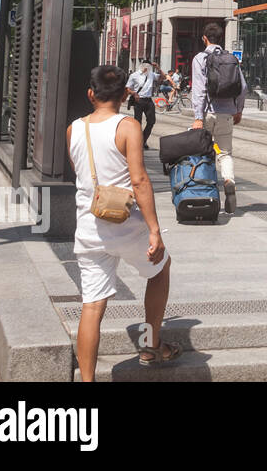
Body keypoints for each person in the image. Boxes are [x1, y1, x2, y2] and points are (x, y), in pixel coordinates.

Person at [66, 65, 175, 380]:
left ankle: (86, 381)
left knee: (92, 306)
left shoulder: (74, 128)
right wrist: (154, 230)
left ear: (91, 94)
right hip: (125, 224)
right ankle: (150, 346)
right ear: (127, 93)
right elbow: (139, 181)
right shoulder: (128, 126)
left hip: (88, 226)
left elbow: (81, 172)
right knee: (160, 268)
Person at [190, 22, 246, 214]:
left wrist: (198, 116)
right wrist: (238, 110)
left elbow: (199, 89)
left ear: (204, 38)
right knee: (224, 153)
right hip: (226, 114)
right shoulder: (231, 58)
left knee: (203, 153)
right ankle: (229, 180)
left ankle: (206, 191)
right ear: (220, 38)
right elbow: (243, 87)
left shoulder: (200, 58)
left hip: (207, 113)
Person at [126, 62, 158, 149]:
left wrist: (158, 68)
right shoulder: (134, 75)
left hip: (148, 100)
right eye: (147, 67)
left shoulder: (151, 74)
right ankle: (137, 141)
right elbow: (127, 88)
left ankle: (143, 140)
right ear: (143, 67)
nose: (148, 69)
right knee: (137, 123)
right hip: (138, 100)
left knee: (151, 121)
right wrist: (134, 93)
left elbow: (163, 77)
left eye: (149, 67)